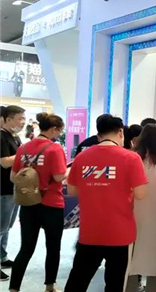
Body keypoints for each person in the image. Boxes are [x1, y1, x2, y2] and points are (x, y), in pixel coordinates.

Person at [64, 114, 148, 292]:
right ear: (120, 133)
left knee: (78, 280)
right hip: (120, 231)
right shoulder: (131, 158)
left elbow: (72, 191)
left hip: (90, 230)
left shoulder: (82, 157)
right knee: (115, 283)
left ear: (98, 134)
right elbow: (141, 194)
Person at [9, 113, 66, 292]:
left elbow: (13, 177)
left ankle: (13, 288)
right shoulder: (55, 148)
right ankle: (49, 286)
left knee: (26, 248)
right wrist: (68, 171)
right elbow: (59, 176)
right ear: (54, 129)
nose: (59, 134)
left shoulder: (23, 148)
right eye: (59, 131)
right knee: (53, 248)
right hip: (52, 204)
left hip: (28, 204)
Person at [126, 125, 156, 292]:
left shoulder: (133, 159)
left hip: (133, 211)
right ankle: (152, 287)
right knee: (153, 250)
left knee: (132, 251)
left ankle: (131, 286)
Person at [1, 105, 26, 281]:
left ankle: (2, 257)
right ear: (8, 119)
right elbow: (4, 162)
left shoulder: (14, 137)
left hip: (14, 188)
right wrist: (26, 154)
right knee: (1, 227)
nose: (23, 122)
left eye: (24, 118)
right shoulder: (1, 137)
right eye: (20, 118)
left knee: (7, 227)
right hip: (3, 189)